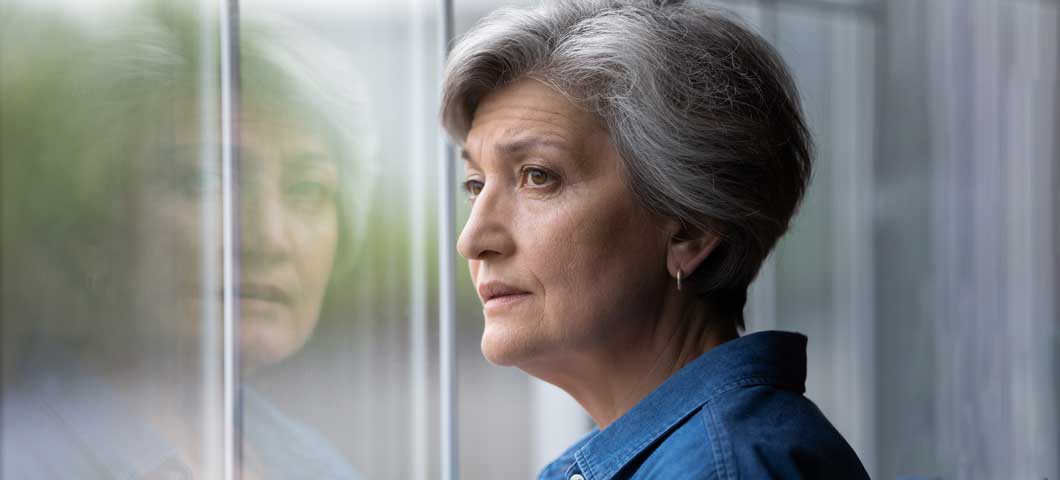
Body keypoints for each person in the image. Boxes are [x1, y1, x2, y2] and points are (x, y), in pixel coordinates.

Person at [441, 1, 869, 478]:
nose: (472, 239)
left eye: (538, 176)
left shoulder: (726, 469)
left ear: (690, 227)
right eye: (475, 185)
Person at [1, 4, 372, 478]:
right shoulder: (22, 457)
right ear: (90, 221)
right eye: (204, 180)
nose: (270, 239)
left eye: (307, 189)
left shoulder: (316, 464)